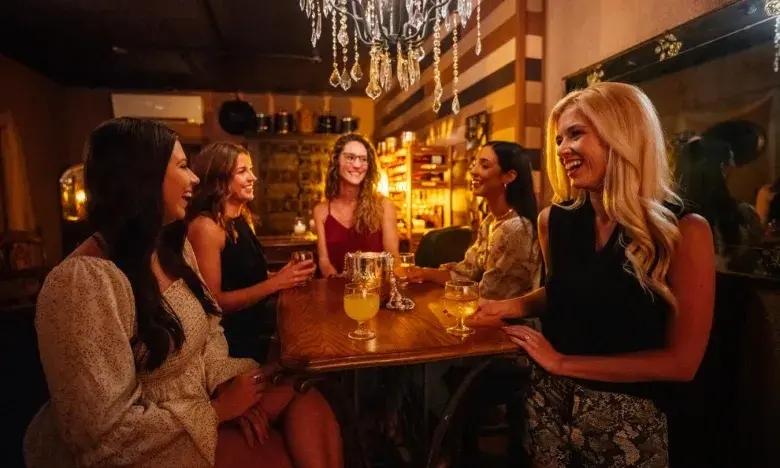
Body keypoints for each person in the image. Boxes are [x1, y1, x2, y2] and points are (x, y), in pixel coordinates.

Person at [24, 118, 341, 468]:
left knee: (308, 398)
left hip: (205, 397)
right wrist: (217, 412)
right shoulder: (81, 283)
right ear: (142, 178)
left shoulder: (169, 248)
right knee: (276, 457)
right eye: (182, 166)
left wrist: (224, 386)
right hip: (156, 439)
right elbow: (103, 436)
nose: (194, 178)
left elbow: (210, 329)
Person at [470, 82, 715, 466]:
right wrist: (507, 306)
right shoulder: (554, 220)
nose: (562, 148)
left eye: (576, 134)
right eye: (559, 138)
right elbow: (563, 290)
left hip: (631, 418)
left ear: (622, 135)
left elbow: (682, 363)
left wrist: (562, 363)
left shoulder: (684, 230)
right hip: (547, 402)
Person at [186, 142, 315, 362]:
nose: (253, 177)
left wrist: (283, 276)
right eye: (242, 171)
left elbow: (243, 280)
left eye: (251, 169)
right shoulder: (206, 227)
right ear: (220, 178)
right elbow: (214, 302)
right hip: (234, 344)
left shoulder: (241, 217)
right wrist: (276, 283)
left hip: (259, 329)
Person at [406, 141, 541, 300]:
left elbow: (491, 293)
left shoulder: (515, 228)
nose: (473, 171)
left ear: (508, 176)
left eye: (484, 166)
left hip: (508, 320)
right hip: (485, 310)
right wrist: (423, 272)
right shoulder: (490, 222)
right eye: (475, 164)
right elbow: (467, 272)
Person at [313, 133, 399, 277]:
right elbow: (324, 262)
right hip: (337, 293)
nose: (357, 165)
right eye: (350, 158)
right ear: (336, 161)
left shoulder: (384, 206)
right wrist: (336, 279)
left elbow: (393, 258)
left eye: (363, 159)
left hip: (375, 291)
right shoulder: (321, 211)